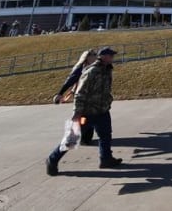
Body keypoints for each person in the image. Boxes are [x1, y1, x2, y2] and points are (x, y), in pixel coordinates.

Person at [46, 46, 122, 176]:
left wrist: (108, 101)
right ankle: (52, 160)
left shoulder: (106, 70)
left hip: (102, 110)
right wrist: (77, 113)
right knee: (72, 139)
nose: (112, 58)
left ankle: (106, 159)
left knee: (105, 135)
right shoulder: (91, 71)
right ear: (103, 56)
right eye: (110, 56)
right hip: (87, 112)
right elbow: (80, 94)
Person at [52, 49, 98, 145]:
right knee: (82, 118)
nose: (96, 56)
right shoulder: (81, 68)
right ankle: (77, 138)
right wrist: (60, 93)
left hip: (92, 97)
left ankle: (86, 138)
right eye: (93, 54)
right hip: (82, 98)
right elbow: (71, 80)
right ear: (87, 57)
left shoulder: (96, 67)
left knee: (90, 117)